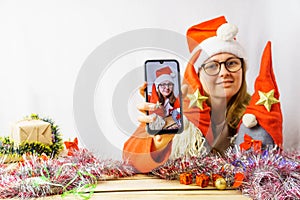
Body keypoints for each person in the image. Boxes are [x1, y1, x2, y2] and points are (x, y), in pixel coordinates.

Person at [123, 16, 275, 173]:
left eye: (232, 63)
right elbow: (130, 157)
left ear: (242, 70)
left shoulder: (256, 113)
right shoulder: (177, 108)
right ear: (197, 74)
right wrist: (159, 143)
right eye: (212, 66)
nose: (223, 73)